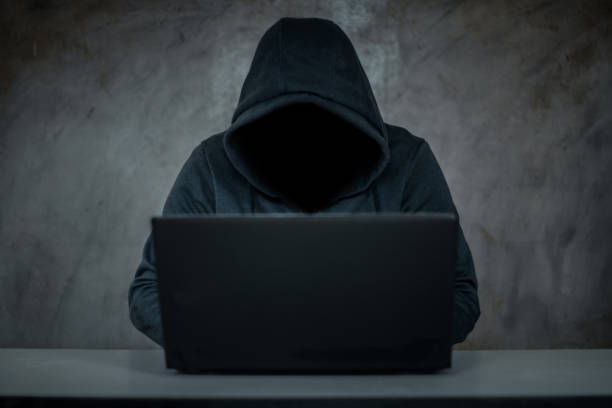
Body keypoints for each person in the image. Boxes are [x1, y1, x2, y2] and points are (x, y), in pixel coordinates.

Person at [128, 17, 480, 347]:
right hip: (242, 379)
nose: (305, 145)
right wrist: (240, 338)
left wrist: (366, 338)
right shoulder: (211, 166)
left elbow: (459, 294)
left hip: (380, 380)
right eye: (285, 127)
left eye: (323, 127)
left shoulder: (409, 163)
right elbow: (150, 291)